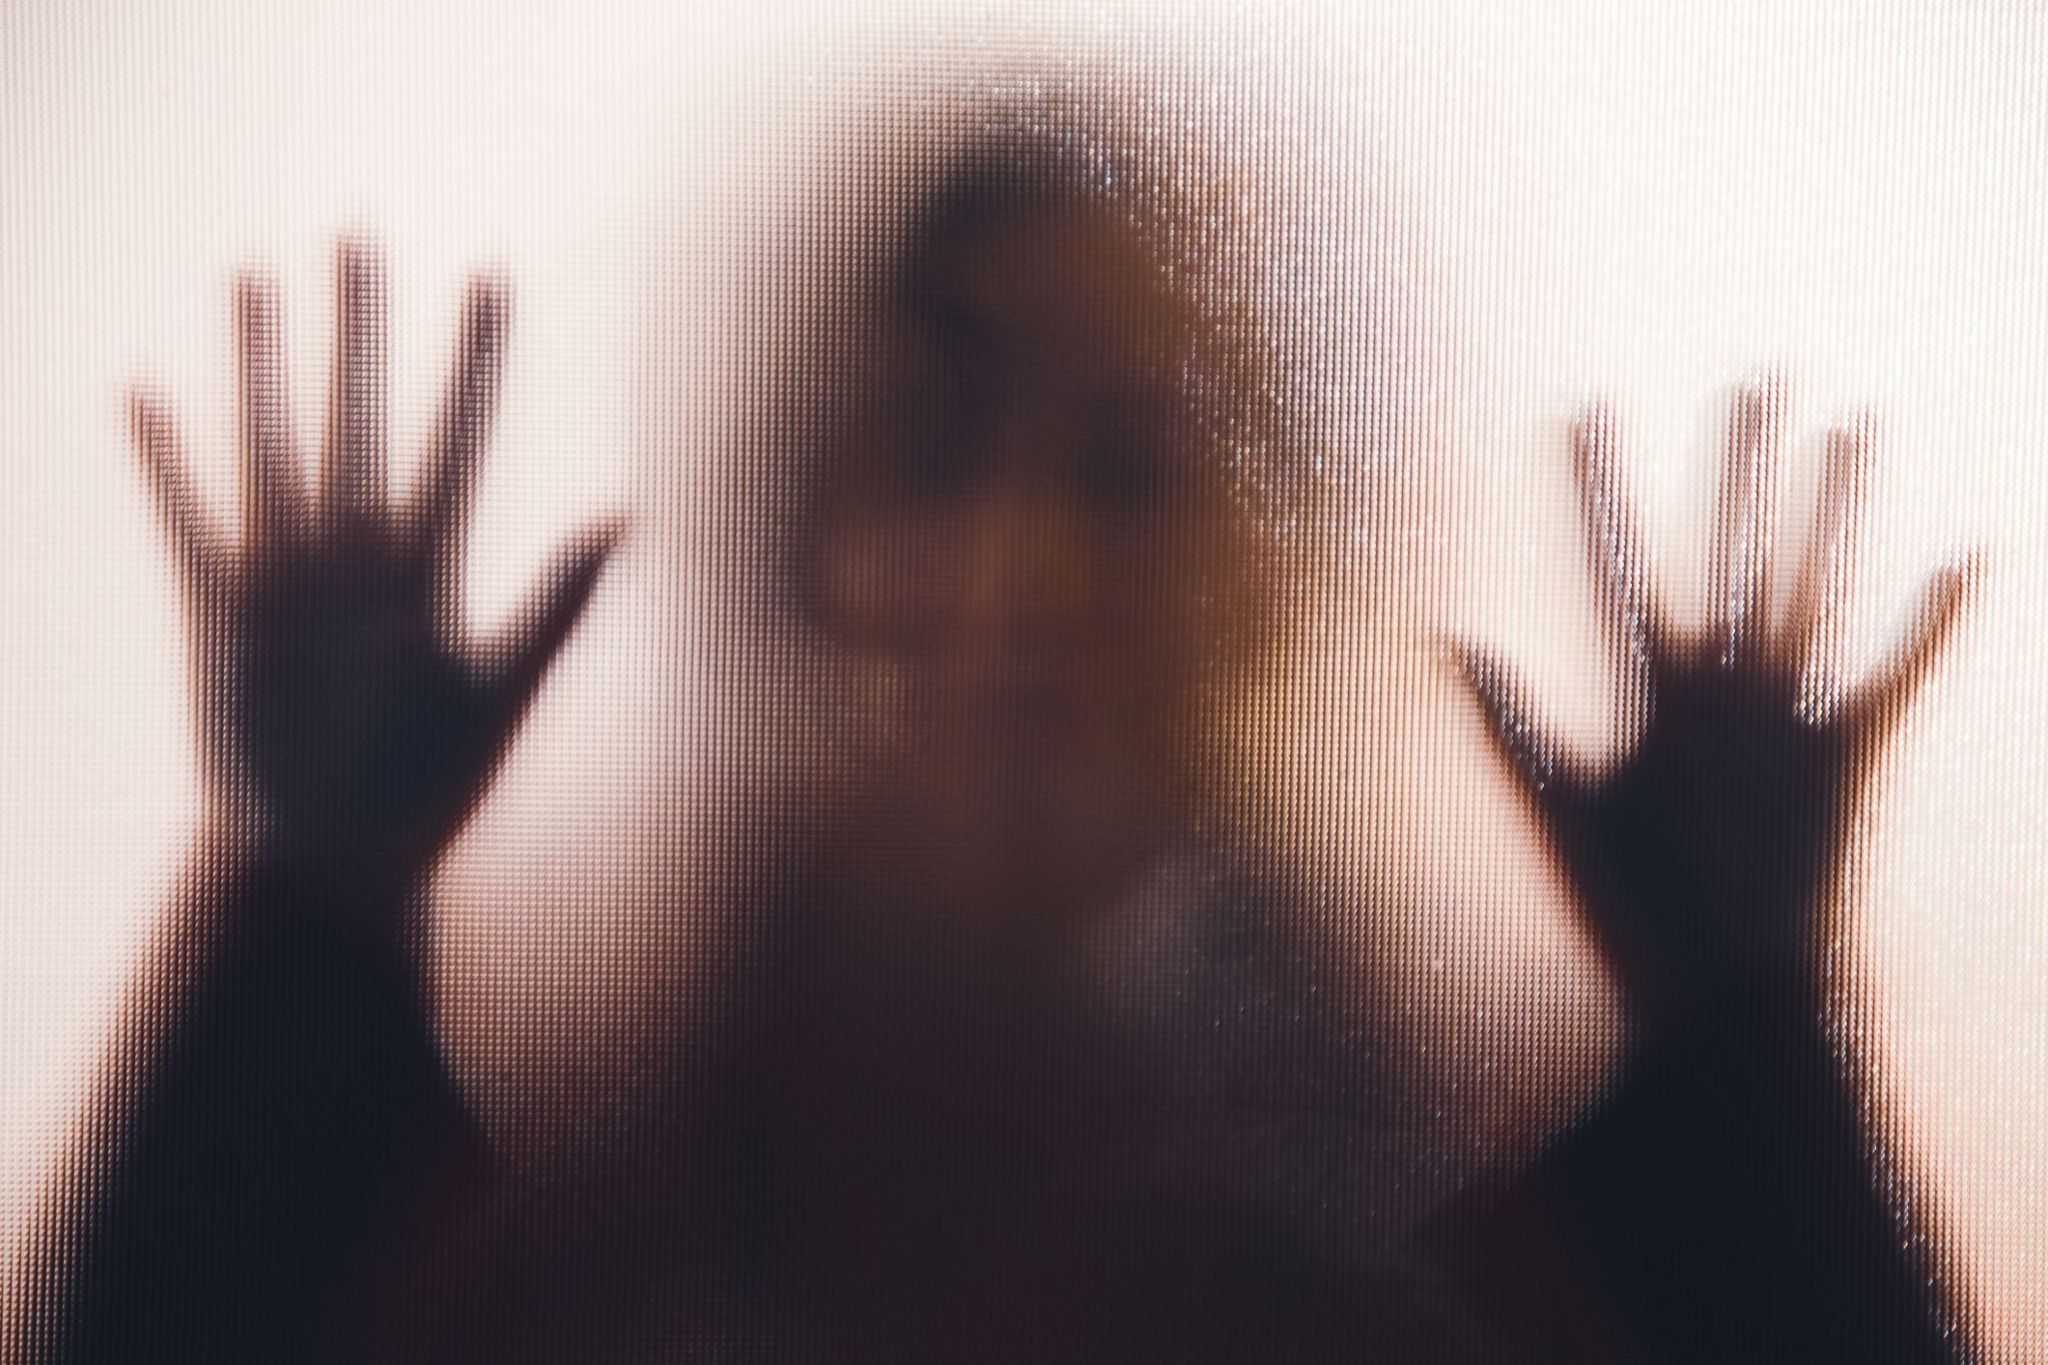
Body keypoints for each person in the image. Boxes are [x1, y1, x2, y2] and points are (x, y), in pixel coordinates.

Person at [21, 111, 1974, 1364]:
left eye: (1132, 469)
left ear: (1263, 571)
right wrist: (296, 928)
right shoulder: (571, 1200)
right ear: (807, 527)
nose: (1020, 568)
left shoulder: (1446, 1232)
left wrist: (1745, 1069)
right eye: (938, 437)